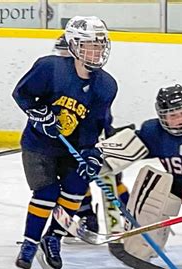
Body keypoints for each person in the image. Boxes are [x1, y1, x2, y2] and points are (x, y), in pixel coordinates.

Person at [13, 16, 117, 269]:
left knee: (75, 188)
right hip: (38, 146)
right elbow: (22, 94)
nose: (96, 51)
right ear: (73, 45)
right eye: (88, 45)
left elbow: (93, 125)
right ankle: (30, 243)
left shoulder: (106, 85)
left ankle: (54, 238)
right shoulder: (49, 68)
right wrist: (39, 115)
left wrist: (91, 153)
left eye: (99, 45)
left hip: (72, 148)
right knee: (47, 194)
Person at [99, 84, 182, 264]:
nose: (180, 120)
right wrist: (101, 159)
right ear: (162, 118)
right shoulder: (153, 132)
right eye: (173, 115)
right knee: (151, 183)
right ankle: (143, 245)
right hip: (176, 186)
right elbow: (129, 146)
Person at [50, 33, 129, 240]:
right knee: (76, 178)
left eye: (67, 51)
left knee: (109, 177)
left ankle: (131, 215)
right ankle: (87, 216)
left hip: (96, 138)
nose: (64, 57)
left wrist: (98, 140)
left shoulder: (95, 79)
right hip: (73, 142)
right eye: (62, 52)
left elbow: (100, 118)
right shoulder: (59, 77)